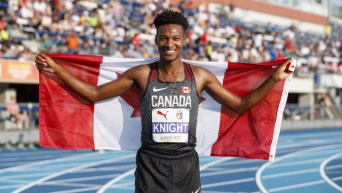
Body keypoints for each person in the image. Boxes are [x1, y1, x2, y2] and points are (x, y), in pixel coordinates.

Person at [35, 9, 292, 193]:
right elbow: (94, 95)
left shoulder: (199, 77)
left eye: (175, 38)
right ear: (156, 40)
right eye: (164, 38)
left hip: (186, 167)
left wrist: (274, 79)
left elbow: (241, 105)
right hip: (150, 166)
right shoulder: (142, 74)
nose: (169, 43)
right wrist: (57, 70)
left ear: (184, 41)